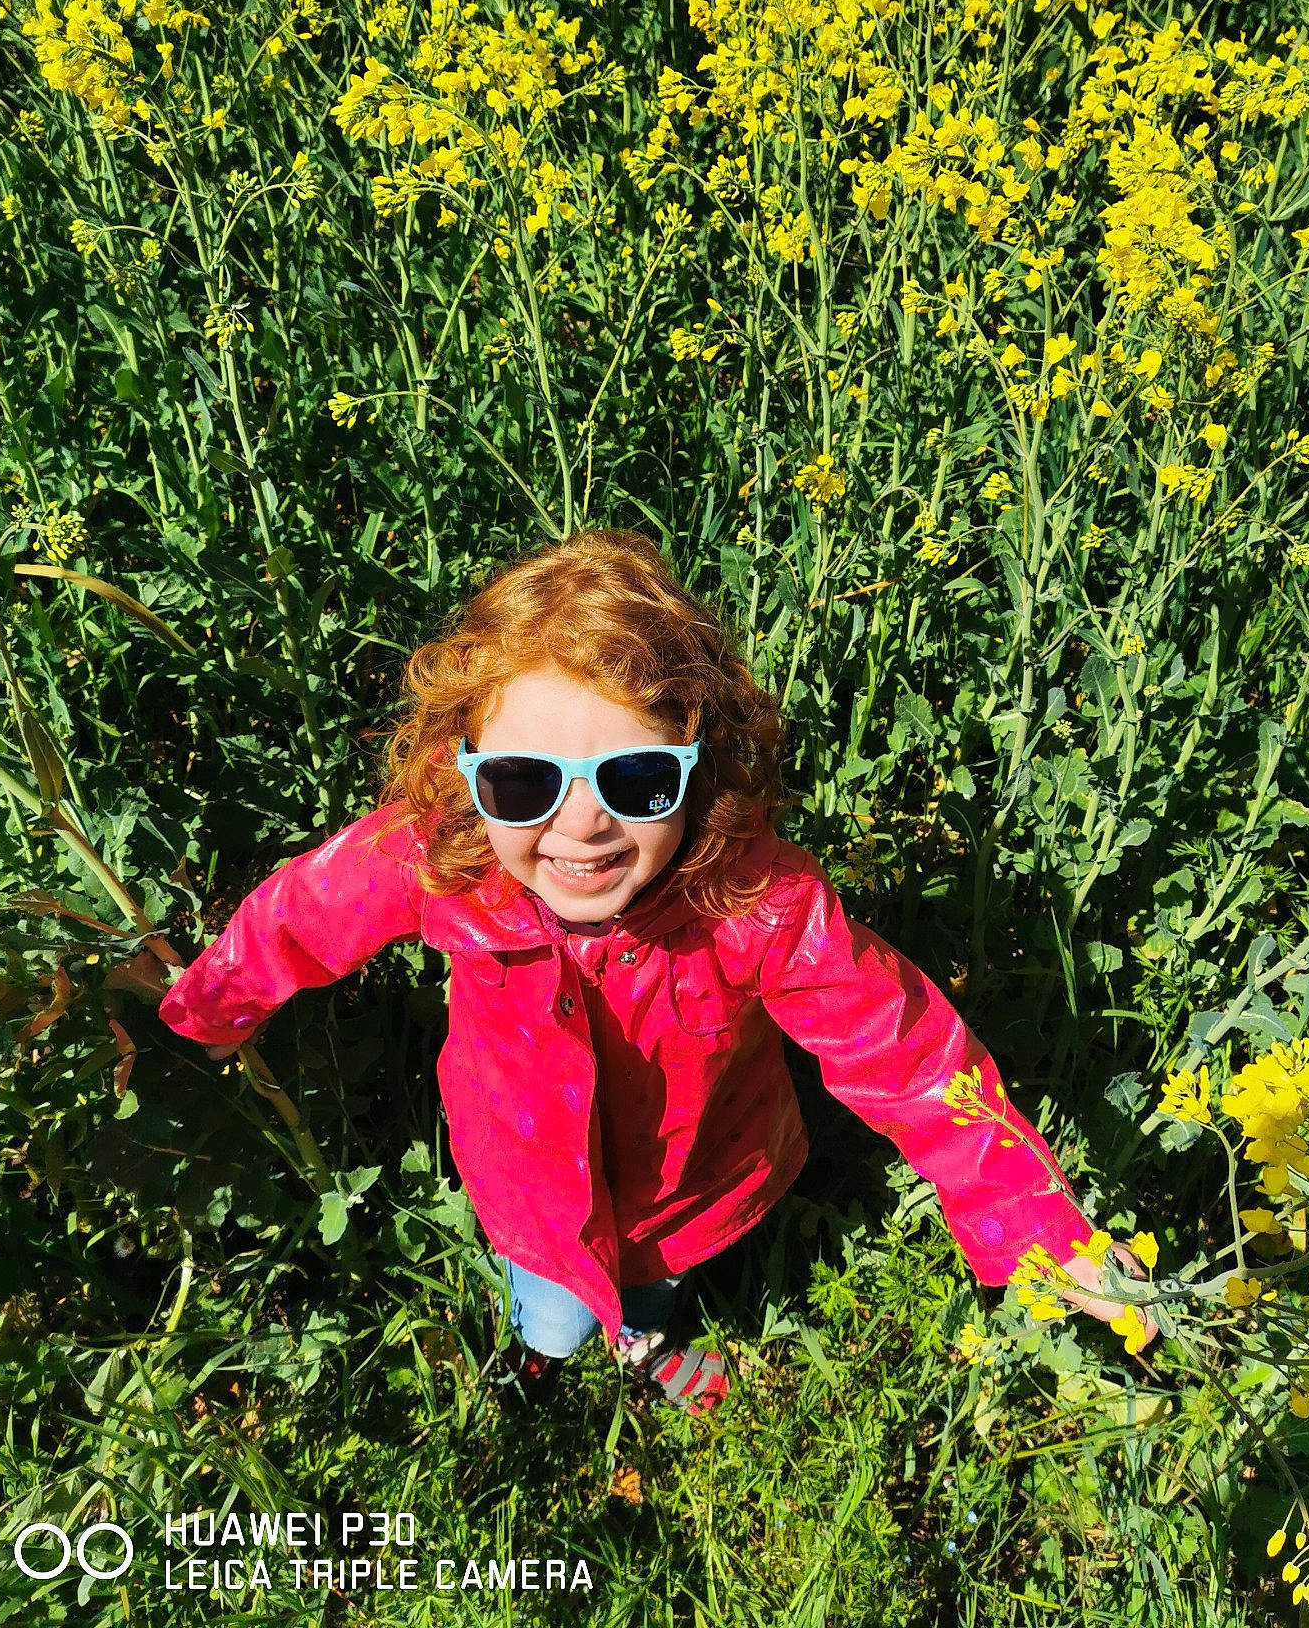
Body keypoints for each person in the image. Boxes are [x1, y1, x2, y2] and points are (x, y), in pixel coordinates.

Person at [159, 529, 1156, 1416]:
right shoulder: (442, 857)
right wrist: (203, 1010)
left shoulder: (758, 901)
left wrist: (1045, 1231)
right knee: (549, 1295)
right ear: (462, 774)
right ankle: (539, 1358)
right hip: (529, 1181)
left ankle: (642, 1341)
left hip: (696, 1181)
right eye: (523, 779)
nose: (582, 822)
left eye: (636, 778)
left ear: (700, 766)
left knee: (654, 1288)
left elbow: (910, 1060)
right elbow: (300, 913)